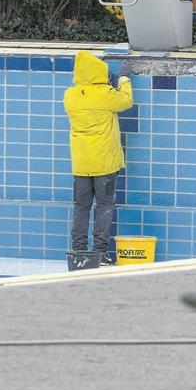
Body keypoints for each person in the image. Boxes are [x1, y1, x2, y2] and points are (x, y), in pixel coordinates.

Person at [63, 51, 133, 264]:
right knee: (104, 206)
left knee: (81, 206)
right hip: (104, 162)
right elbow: (126, 101)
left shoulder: (70, 96)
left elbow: (90, 99)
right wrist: (123, 79)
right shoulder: (106, 94)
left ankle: (78, 252)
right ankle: (100, 252)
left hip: (81, 163)